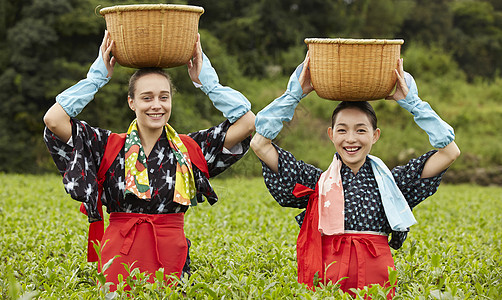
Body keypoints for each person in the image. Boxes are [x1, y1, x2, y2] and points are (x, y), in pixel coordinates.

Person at [43, 31, 255, 291]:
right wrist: (96, 78)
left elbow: (247, 123)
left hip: (171, 259)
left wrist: (207, 82)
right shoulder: (107, 146)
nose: (157, 105)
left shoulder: (189, 148)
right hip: (118, 258)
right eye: (147, 97)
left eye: (164, 97)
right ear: (131, 102)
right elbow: (54, 120)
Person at [250, 53, 460, 297]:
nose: (351, 139)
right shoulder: (316, 182)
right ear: (331, 134)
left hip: (378, 276)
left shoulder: (393, 183)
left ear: (375, 135)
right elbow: (260, 145)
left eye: (361, 130)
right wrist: (293, 95)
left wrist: (414, 105)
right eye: (342, 130)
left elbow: (449, 152)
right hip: (329, 274)